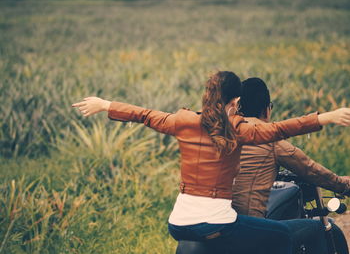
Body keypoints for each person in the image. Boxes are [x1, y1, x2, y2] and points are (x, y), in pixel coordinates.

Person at [72, 71, 350, 254]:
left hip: (177, 224)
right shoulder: (239, 130)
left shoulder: (184, 121)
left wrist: (105, 104)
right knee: (292, 234)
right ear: (235, 102)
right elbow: (278, 129)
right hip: (217, 224)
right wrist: (325, 117)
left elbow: (145, 114)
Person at [232, 77, 350, 218]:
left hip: (214, 221)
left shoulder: (221, 131)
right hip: (250, 225)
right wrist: (343, 185)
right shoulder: (270, 139)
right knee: (304, 230)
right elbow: (309, 169)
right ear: (266, 110)